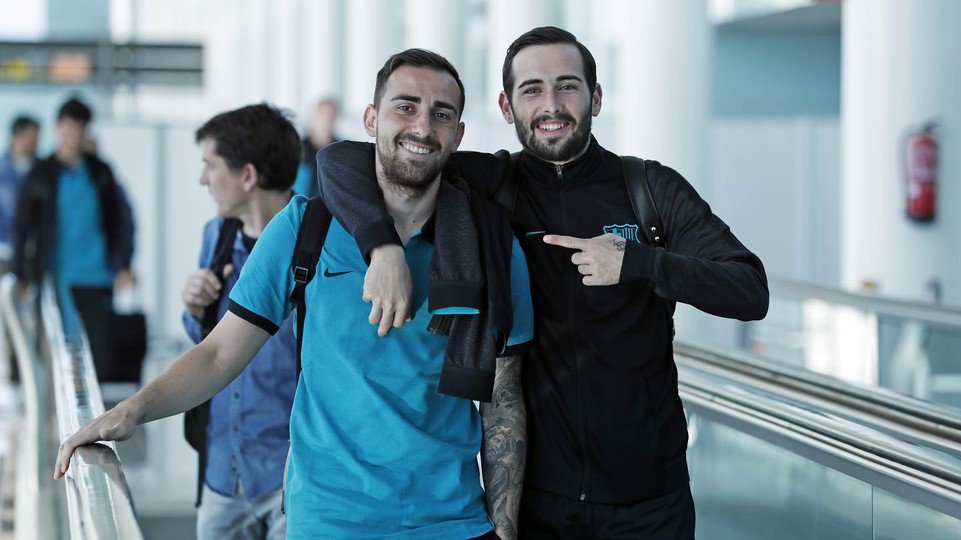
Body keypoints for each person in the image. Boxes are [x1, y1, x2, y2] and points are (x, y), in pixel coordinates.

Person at [56, 49, 533, 540]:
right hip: (327, 523)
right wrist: (130, 411)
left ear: (458, 134)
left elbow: (503, 397)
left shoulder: (493, 248)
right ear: (371, 120)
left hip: (451, 525)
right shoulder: (305, 228)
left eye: (442, 114)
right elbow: (219, 354)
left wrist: (504, 529)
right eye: (405, 107)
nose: (423, 126)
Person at [314, 27, 770, 539]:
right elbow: (342, 159)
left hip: (650, 500)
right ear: (507, 107)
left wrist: (640, 262)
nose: (551, 104)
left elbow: (749, 290)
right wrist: (382, 246)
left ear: (596, 97)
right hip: (538, 501)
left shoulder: (649, 188)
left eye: (567, 86)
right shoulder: (489, 185)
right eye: (532, 90)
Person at [182, 103, 300, 539]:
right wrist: (196, 311)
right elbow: (209, 345)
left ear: (247, 176)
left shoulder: (317, 243)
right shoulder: (217, 235)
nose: (203, 179)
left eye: (210, 165)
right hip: (222, 469)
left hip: (291, 475)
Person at [12, 97, 135, 380]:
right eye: (68, 127)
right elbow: (22, 227)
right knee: (57, 353)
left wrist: (124, 264)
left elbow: (121, 221)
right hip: (56, 276)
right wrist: (21, 275)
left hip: (97, 276)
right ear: (57, 127)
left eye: (79, 128)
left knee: (97, 356)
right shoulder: (41, 174)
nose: (73, 134)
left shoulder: (100, 172)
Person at [0, 115, 39, 266]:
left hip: (32, 251)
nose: (35, 143)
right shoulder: (2, 171)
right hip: (4, 249)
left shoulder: (42, 172)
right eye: (31, 138)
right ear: (17, 136)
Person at [292, 98, 339, 198]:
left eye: (330, 117)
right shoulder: (298, 147)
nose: (326, 121)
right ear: (314, 117)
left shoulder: (339, 150)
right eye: (322, 115)